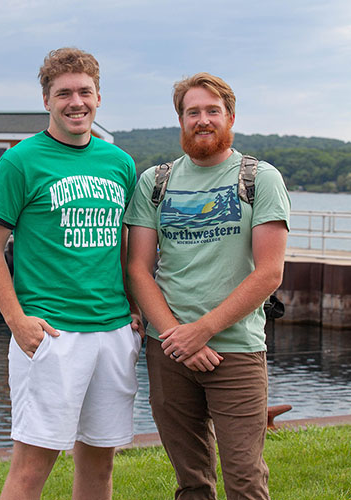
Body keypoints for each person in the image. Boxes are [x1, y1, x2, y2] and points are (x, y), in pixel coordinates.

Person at [0, 47, 143, 500]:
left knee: (99, 464)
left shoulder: (120, 163)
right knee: (32, 468)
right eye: (63, 93)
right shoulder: (20, 161)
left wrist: (133, 306)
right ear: (47, 101)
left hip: (112, 332)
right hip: (51, 334)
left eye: (84, 92)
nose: (76, 102)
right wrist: (15, 319)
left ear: (99, 97)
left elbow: (122, 245)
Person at [124, 72, 290, 499]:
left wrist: (202, 331)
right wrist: (181, 339)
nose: (202, 120)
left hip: (235, 350)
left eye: (212, 110)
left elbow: (269, 273)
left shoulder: (260, 178)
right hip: (168, 353)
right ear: (180, 120)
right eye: (192, 111)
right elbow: (139, 268)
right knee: (192, 483)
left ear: (230, 117)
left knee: (245, 479)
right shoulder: (154, 182)